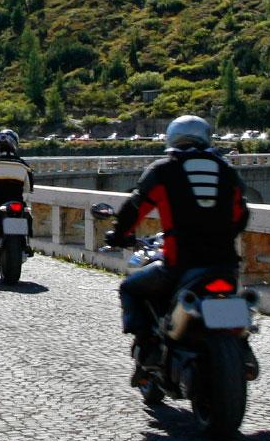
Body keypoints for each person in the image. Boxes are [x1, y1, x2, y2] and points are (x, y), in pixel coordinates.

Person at [105, 115, 249, 382]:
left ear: (172, 138)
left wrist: (118, 234)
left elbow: (135, 208)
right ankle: (244, 350)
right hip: (225, 264)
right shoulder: (227, 171)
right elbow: (241, 215)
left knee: (130, 288)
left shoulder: (163, 170)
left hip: (179, 263)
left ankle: (147, 349)